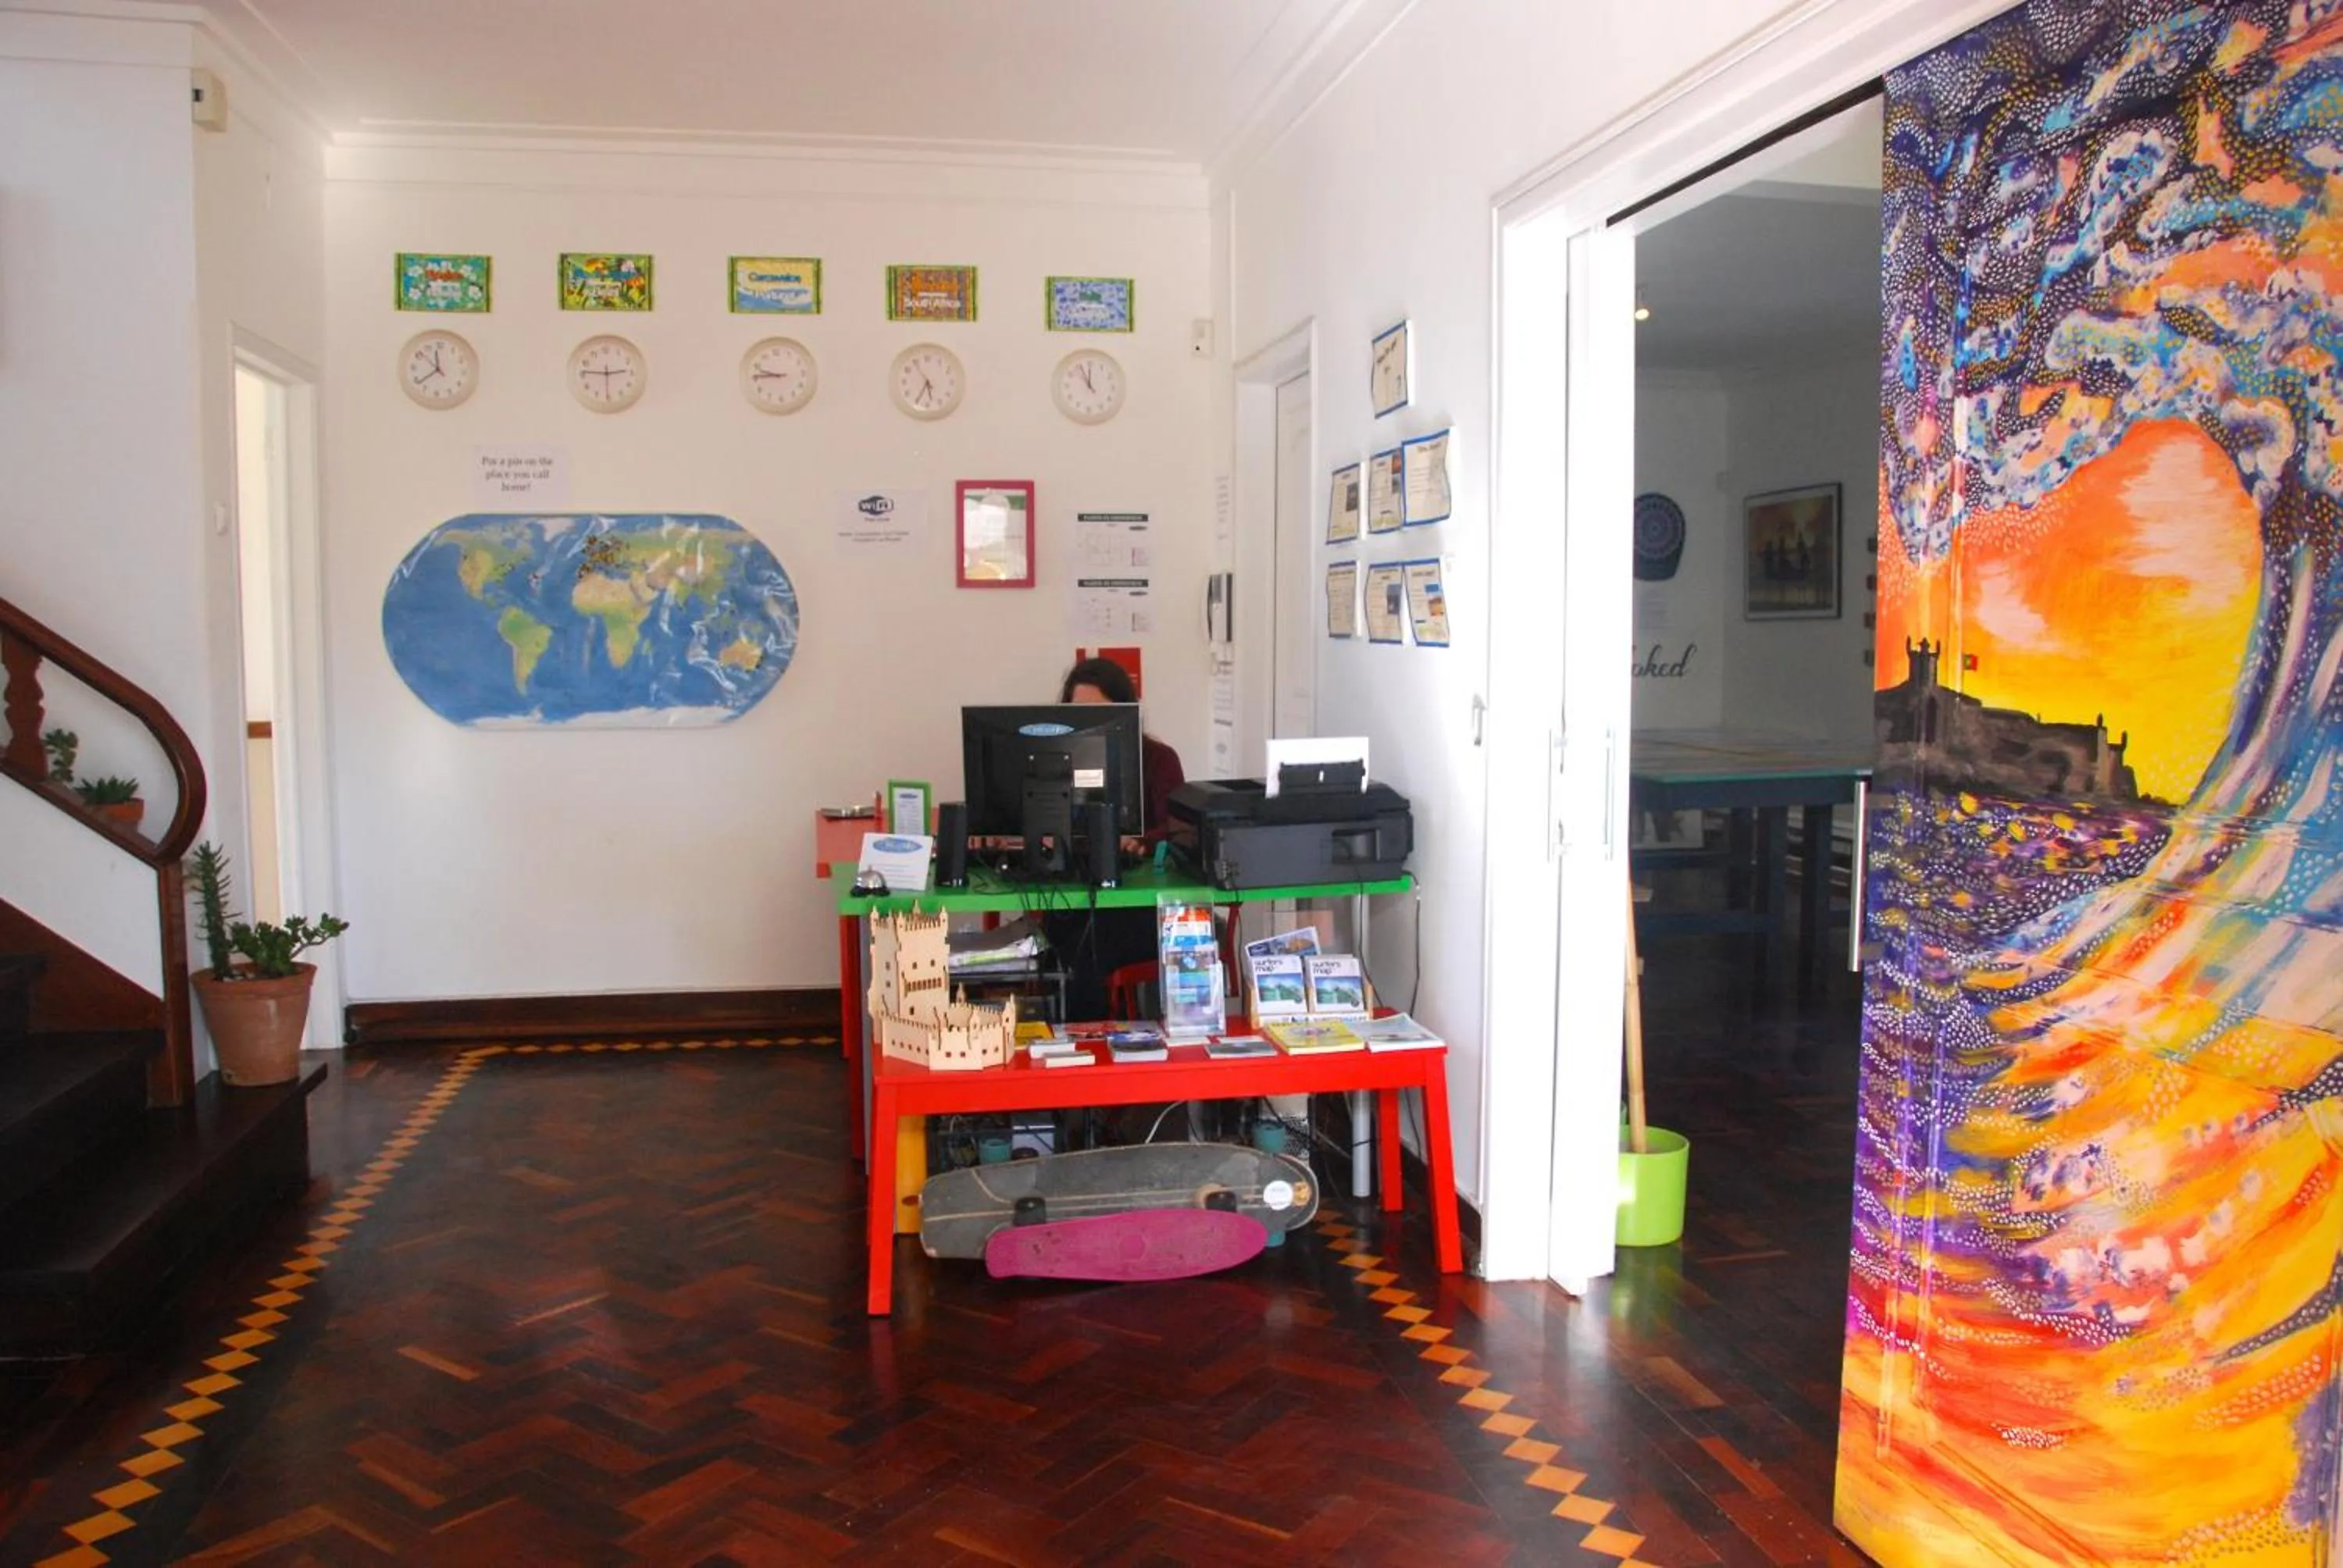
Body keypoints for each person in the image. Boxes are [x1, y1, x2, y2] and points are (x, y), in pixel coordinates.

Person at [1047, 657, 1186, 1021]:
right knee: (1058, 936)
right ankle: (1062, 1042)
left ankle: (1088, 1047)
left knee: (1086, 946)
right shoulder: (1055, 762)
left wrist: (1140, 842)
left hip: (1139, 907)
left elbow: (1178, 828)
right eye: (1079, 714)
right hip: (1076, 901)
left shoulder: (1159, 759)